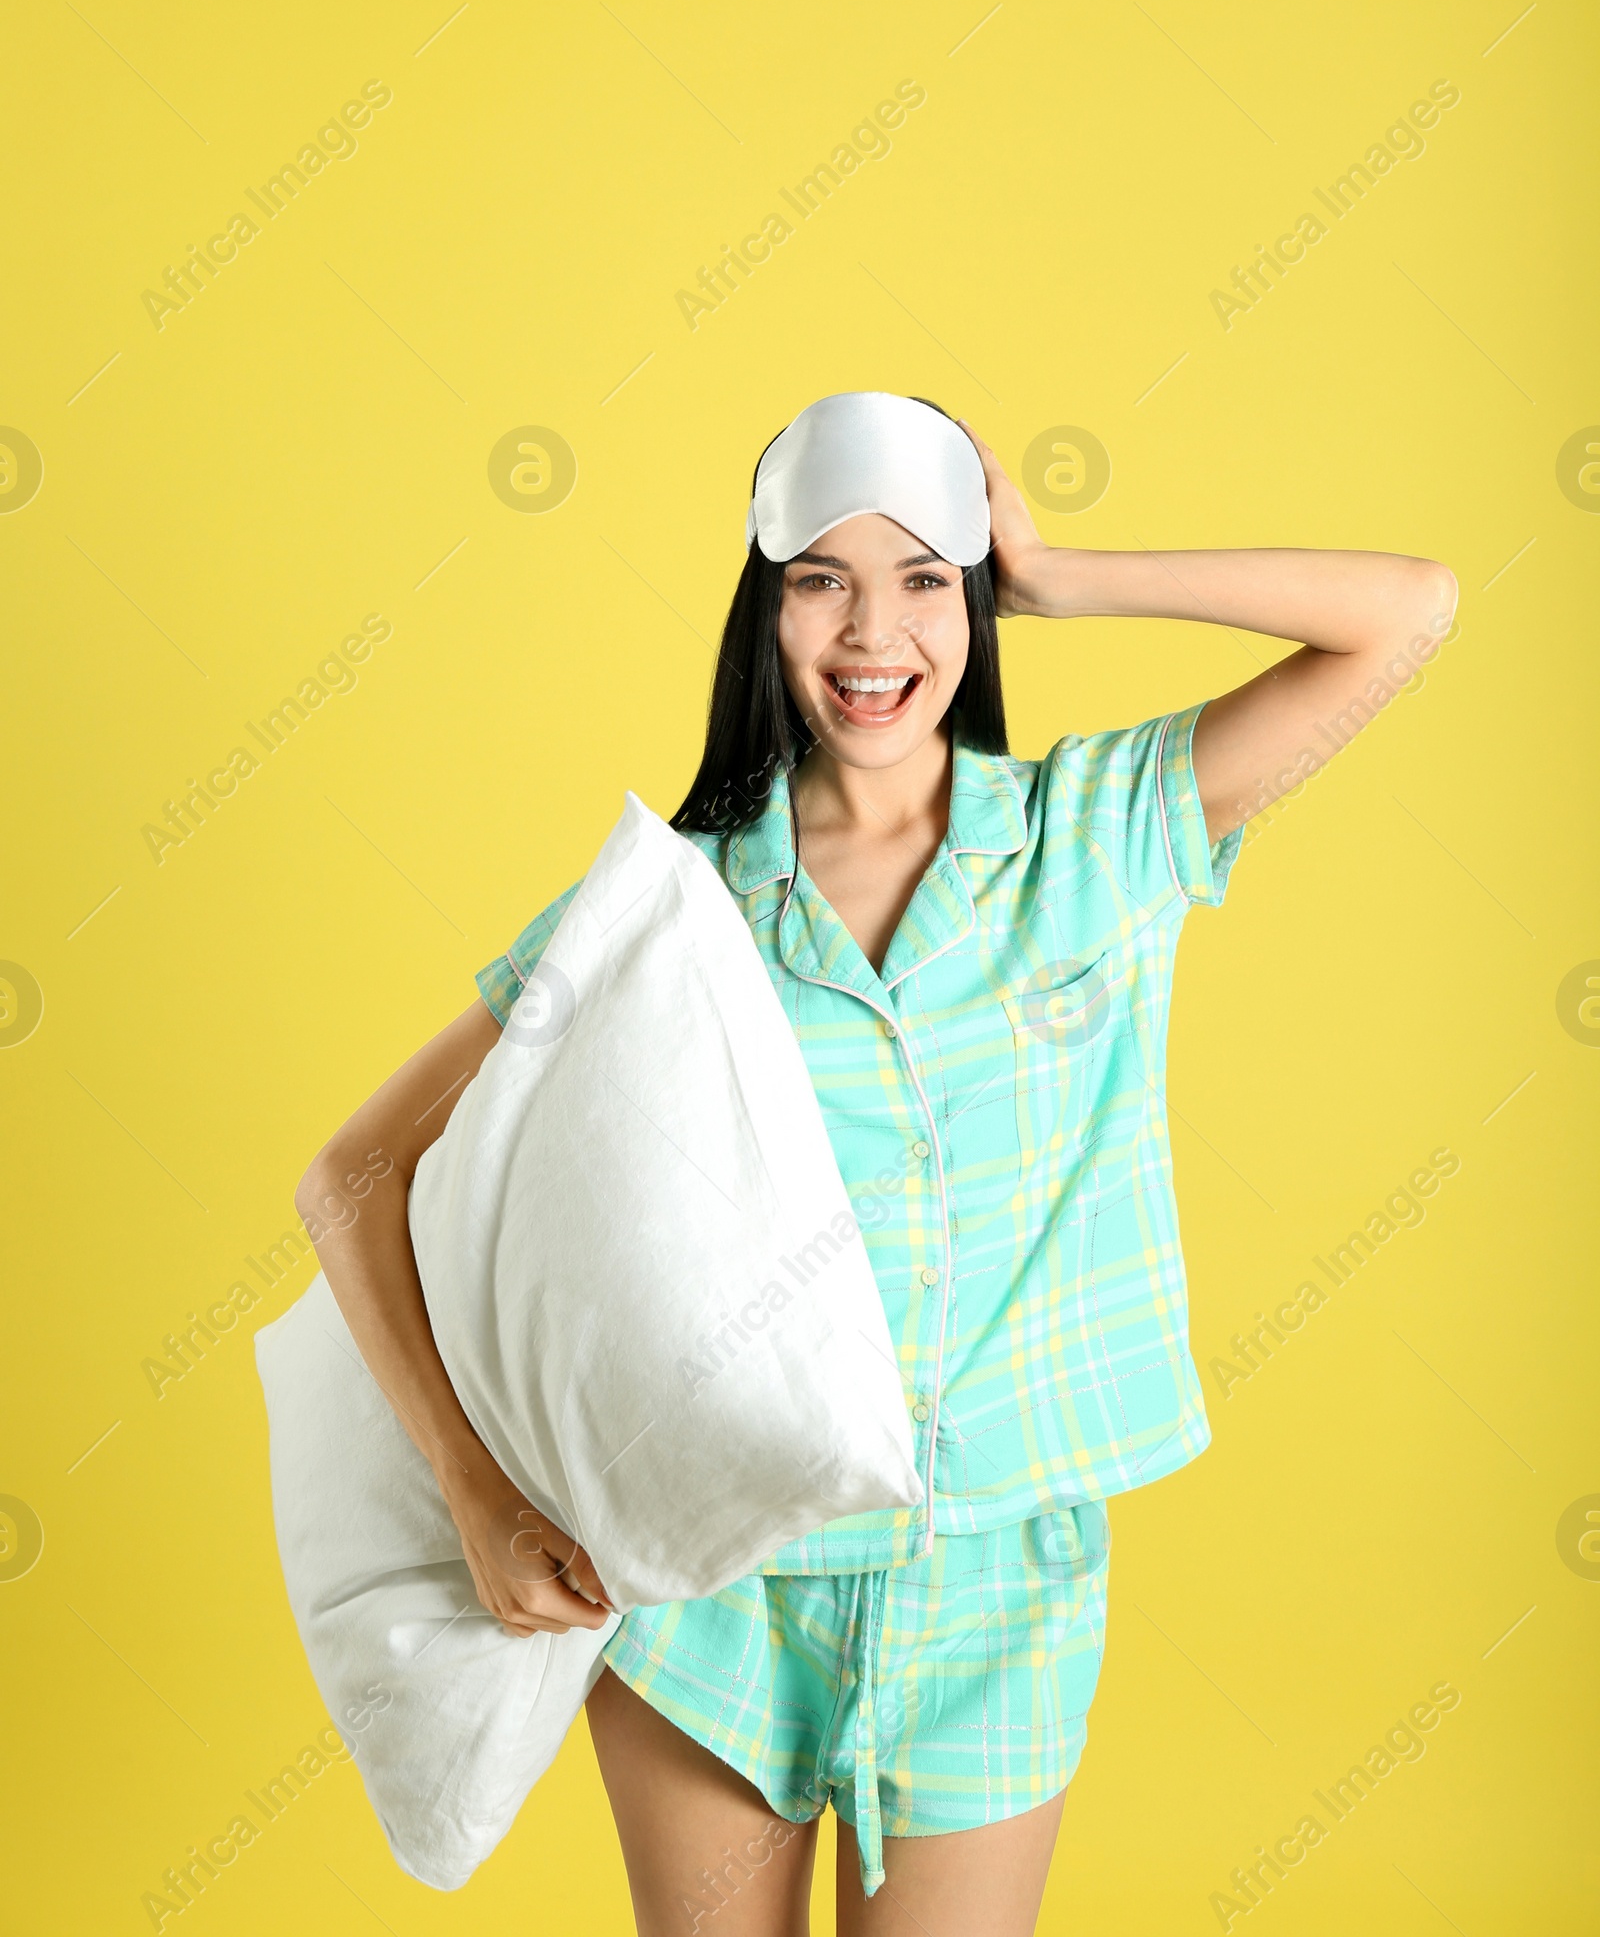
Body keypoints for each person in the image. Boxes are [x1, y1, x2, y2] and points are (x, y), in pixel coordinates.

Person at [296, 392, 1456, 1936]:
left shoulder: (1091, 840)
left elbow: (1409, 613)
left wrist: (1057, 574)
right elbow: (353, 1178)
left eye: (922, 576)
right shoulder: (668, 912)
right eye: (821, 578)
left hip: (998, 1593)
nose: (872, 629)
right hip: (709, 1587)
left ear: (972, 599)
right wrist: (477, 1493)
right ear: (765, 611)